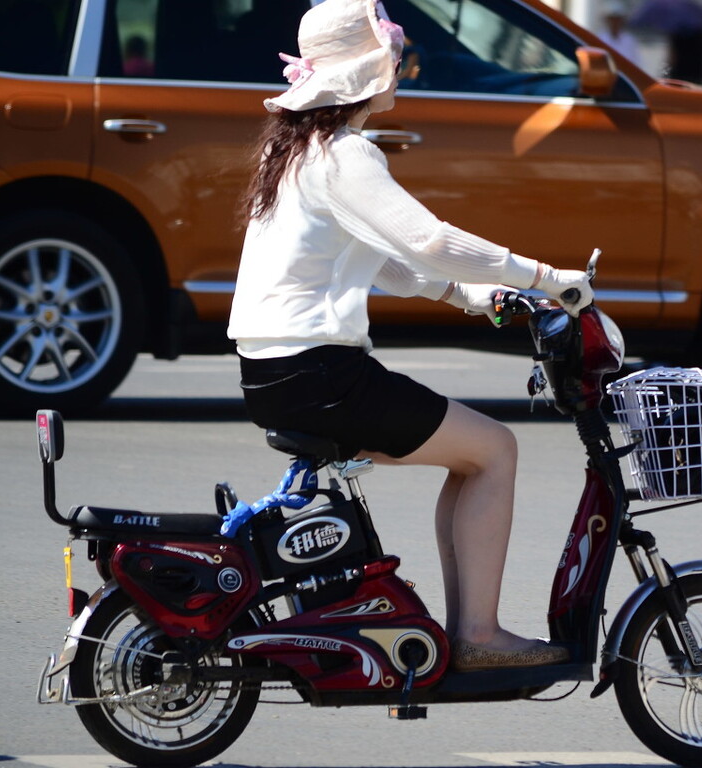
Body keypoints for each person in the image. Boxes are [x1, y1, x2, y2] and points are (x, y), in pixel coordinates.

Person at [228, 0, 593, 671]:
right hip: (321, 376)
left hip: (278, 373)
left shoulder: (299, 150)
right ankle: (479, 634)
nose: (402, 62)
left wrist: (470, 295)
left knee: (473, 453)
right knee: (496, 449)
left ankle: (468, 630)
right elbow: (427, 238)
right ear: (369, 69)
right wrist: (546, 276)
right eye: (393, 50)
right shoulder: (347, 153)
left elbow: (388, 261)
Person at [596, 2, 642, 68]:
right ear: (607, 20)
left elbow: (637, 63)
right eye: (612, 19)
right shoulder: (600, 39)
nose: (615, 22)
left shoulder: (629, 40)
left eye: (617, 19)